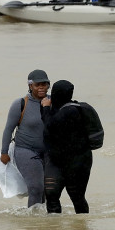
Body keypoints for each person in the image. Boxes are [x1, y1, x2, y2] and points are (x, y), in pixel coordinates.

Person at [0, 69, 51, 208]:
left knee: (48, 190)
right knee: (36, 187)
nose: (41, 88)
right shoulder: (21, 104)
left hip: (48, 152)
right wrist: (4, 152)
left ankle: (45, 224)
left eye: (44, 84)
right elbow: (8, 129)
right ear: (30, 86)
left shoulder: (53, 102)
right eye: (37, 85)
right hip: (26, 150)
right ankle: (33, 224)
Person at [40, 80, 93, 214]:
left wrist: (45, 107)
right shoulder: (75, 108)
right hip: (80, 161)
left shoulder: (67, 112)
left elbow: (49, 126)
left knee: (57, 198)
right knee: (75, 198)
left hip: (65, 162)